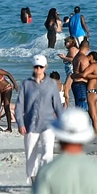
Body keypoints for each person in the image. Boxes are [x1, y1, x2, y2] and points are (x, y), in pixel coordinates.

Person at [17, 54, 64, 185]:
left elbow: (57, 106)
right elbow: (20, 105)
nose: (38, 69)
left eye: (41, 67)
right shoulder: (26, 84)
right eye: (36, 67)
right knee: (30, 154)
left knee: (47, 153)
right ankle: (33, 179)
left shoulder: (51, 84)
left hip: (48, 124)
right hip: (30, 124)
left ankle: (45, 178)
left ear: (45, 67)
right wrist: (20, 123)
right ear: (33, 67)